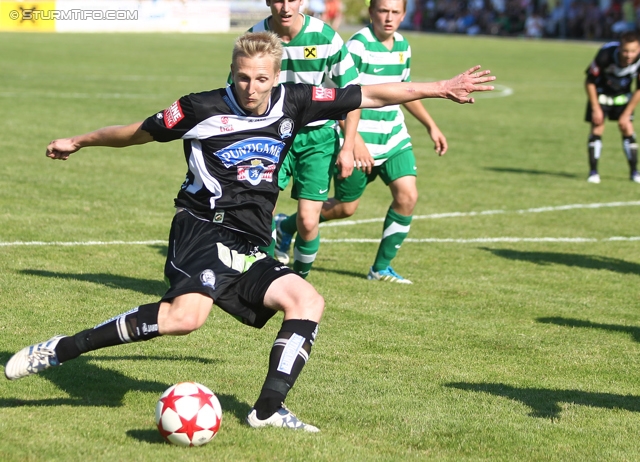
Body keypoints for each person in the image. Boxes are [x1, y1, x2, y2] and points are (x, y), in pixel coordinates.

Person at [3, 31, 495, 432]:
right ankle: (64, 348)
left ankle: (266, 410)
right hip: (201, 229)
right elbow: (137, 132)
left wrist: (438, 87)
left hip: (249, 242)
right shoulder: (200, 108)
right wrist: (79, 141)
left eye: (261, 78)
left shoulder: (295, 101)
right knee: (185, 320)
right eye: (243, 77)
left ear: (275, 77)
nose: (251, 87)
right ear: (232, 73)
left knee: (308, 302)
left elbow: (369, 93)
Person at [278, 0, 447, 284]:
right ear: (371, 13)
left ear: (404, 15)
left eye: (395, 12)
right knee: (346, 208)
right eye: (383, 11)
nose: (389, 18)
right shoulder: (357, 46)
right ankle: (285, 226)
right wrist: (352, 141)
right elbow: (341, 93)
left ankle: (380, 268)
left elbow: (405, 90)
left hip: (394, 138)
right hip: (359, 142)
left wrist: (431, 126)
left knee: (408, 196)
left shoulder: (404, 46)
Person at [247, 0, 364, 278]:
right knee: (259, 214)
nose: (285, 7)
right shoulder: (256, 39)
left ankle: (299, 281)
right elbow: (238, 92)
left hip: (318, 138)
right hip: (271, 135)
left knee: (308, 221)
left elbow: (353, 95)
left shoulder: (325, 38)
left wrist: (348, 146)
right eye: (278, 0)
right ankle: (265, 278)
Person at [585, 30, 640, 184]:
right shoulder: (605, 55)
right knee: (597, 126)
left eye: (633, 51)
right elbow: (589, 82)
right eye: (626, 51)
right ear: (619, 48)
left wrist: (626, 114)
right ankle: (593, 172)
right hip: (601, 94)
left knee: (627, 127)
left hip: (623, 97)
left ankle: (634, 172)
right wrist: (595, 108)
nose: (629, 55)